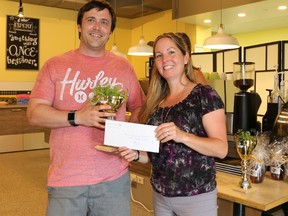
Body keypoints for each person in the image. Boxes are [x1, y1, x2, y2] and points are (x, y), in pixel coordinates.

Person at [27, 1, 145, 216]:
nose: (97, 27)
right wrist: (78, 116)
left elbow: (139, 108)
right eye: (90, 20)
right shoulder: (55, 65)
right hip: (66, 178)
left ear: (110, 31)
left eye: (104, 22)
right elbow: (34, 113)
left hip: (114, 178)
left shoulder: (123, 67)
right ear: (79, 26)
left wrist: (129, 135)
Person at [119, 32, 228, 216]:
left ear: (186, 57)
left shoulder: (204, 95)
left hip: (196, 197)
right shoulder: (157, 102)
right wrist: (137, 154)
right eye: (159, 55)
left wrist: (182, 136)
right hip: (161, 196)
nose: (165, 59)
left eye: (171, 52)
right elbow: (154, 154)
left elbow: (221, 149)